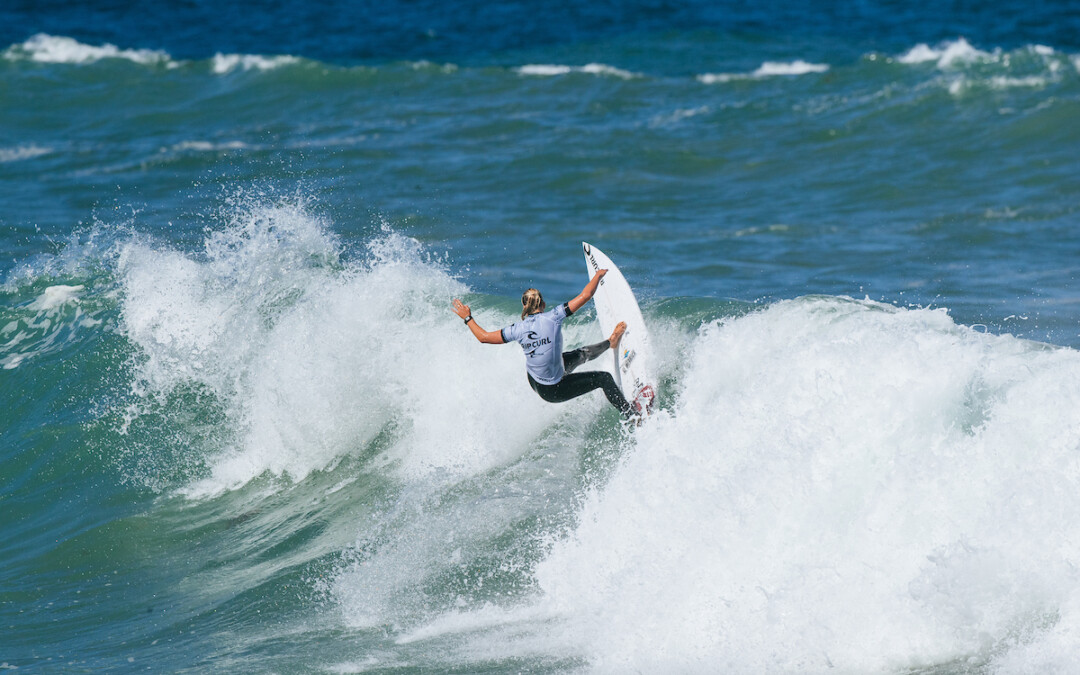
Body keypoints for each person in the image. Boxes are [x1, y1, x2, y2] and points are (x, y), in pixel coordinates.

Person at [451, 269, 638, 418]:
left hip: (534, 380)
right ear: (543, 304)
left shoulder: (516, 329)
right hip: (554, 390)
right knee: (603, 378)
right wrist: (598, 275)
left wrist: (467, 317)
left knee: (579, 355)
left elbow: (483, 337)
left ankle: (610, 342)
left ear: (525, 306)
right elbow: (586, 295)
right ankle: (632, 415)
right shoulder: (554, 316)